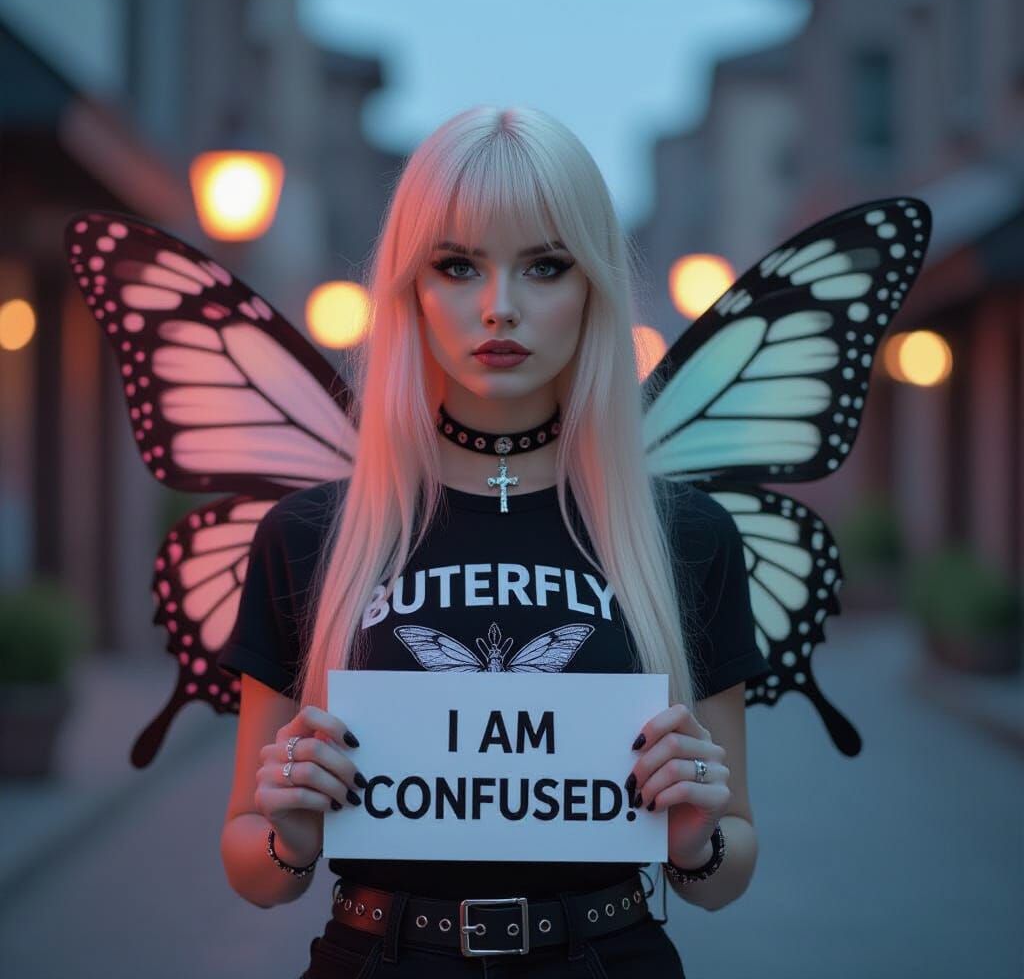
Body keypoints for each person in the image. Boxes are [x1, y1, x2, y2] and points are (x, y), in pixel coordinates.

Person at [216, 104, 771, 978]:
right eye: (457, 266)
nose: (500, 308)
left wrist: (696, 831)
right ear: (409, 287)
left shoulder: (686, 537)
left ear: (593, 285)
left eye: (545, 265)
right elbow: (255, 870)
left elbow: (723, 870)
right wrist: (284, 827)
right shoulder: (311, 536)